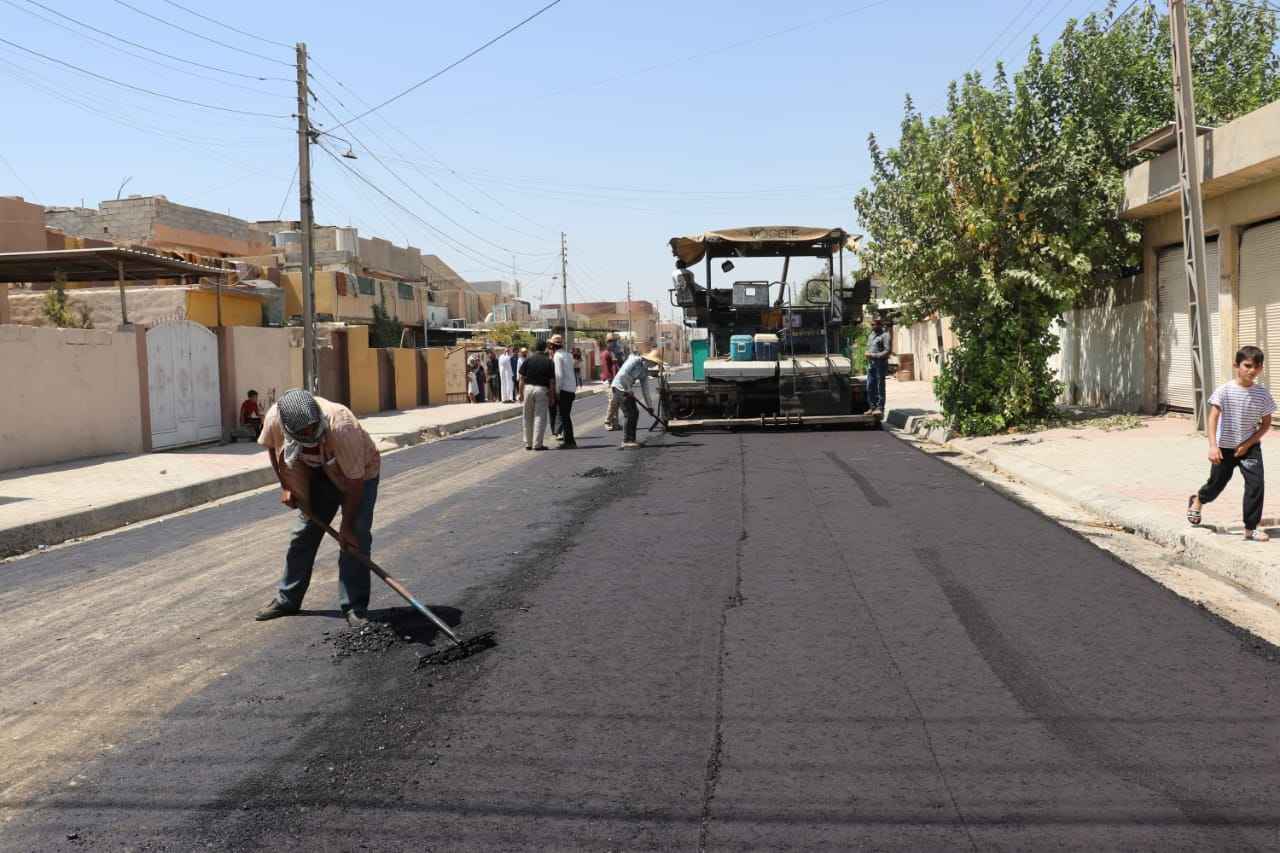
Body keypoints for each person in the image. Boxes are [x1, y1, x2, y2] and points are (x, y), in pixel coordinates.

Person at [254, 389, 381, 627]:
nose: (310, 434)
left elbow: (354, 483)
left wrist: (347, 526)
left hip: (359, 474)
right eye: (302, 433)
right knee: (303, 534)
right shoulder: (275, 419)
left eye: (313, 428)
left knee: (356, 538)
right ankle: (287, 599)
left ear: (318, 418)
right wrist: (286, 485)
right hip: (316, 474)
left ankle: (355, 607)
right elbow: (274, 449)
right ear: (289, 428)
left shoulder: (342, 426)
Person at [1188, 345, 1275, 541]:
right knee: (1216, 484)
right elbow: (1212, 418)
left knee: (1256, 485)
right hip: (1224, 448)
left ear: (1261, 368)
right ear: (1236, 365)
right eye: (1247, 365)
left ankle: (1250, 528)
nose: (1252, 371)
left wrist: (1248, 444)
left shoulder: (1262, 394)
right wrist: (1212, 446)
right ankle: (1198, 500)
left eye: (1257, 367)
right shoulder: (1224, 391)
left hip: (1250, 448)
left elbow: (1266, 424)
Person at [611, 347, 663, 449]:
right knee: (629, 413)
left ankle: (632, 440)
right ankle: (627, 441)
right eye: (654, 363)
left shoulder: (644, 372)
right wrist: (629, 389)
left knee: (635, 413)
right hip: (619, 387)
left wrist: (650, 407)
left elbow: (645, 390)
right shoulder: (634, 360)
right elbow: (622, 375)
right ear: (648, 360)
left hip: (626, 389)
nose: (654, 366)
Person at [518, 339, 556, 450]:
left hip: (528, 389)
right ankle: (537, 444)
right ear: (545, 348)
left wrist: (520, 393)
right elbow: (551, 381)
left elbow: (521, 378)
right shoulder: (549, 362)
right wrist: (552, 396)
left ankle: (528, 443)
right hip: (541, 390)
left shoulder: (528, 360)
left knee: (527, 416)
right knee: (540, 416)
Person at [549, 334, 578, 449]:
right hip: (571, 389)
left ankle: (570, 442)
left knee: (564, 416)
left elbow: (559, 375)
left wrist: (556, 391)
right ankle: (569, 440)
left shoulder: (557, 356)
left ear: (552, 346)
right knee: (566, 416)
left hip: (564, 390)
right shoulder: (568, 355)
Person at [864, 316, 892, 416]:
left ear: (879, 324)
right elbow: (869, 347)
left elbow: (887, 351)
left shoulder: (885, 335)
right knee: (870, 386)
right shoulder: (871, 335)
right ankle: (872, 407)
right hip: (871, 364)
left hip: (880, 364)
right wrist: (867, 354)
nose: (872, 326)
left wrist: (872, 355)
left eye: (874, 324)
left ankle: (880, 408)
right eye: (871, 324)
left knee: (880, 386)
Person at [600, 334, 622, 430]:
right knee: (612, 401)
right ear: (607, 342)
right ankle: (607, 421)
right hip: (609, 381)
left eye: (614, 341)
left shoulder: (613, 353)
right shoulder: (605, 354)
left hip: (615, 380)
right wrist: (611, 380)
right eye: (611, 341)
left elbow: (617, 367)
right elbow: (606, 368)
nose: (613, 343)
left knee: (616, 402)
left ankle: (615, 423)